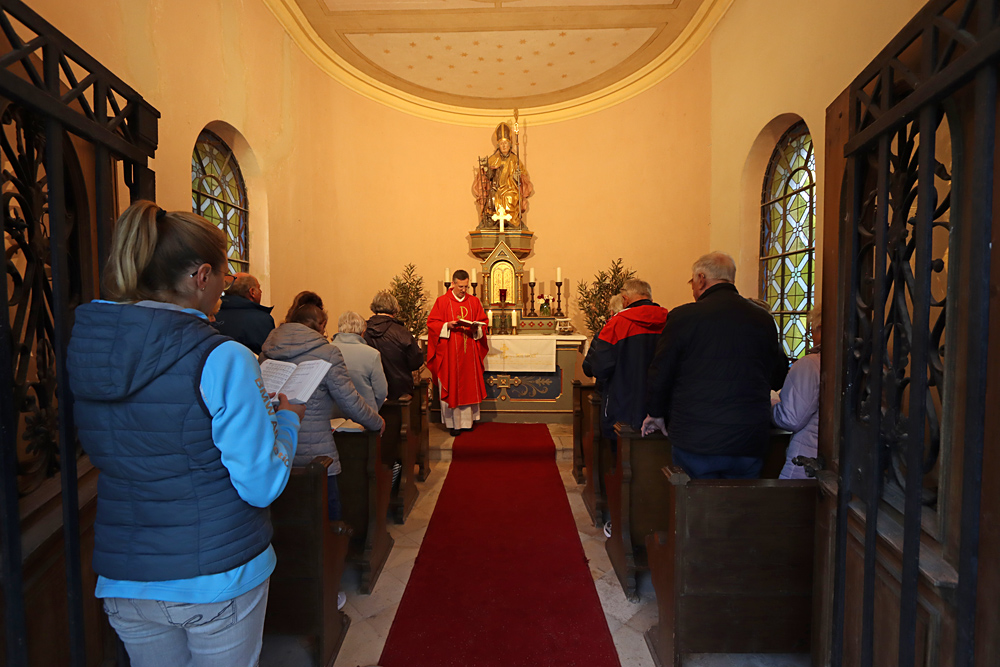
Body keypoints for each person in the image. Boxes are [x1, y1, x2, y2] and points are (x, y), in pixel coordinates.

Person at [66, 200, 305, 667]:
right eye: (224, 274)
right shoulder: (222, 357)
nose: (225, 285)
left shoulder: (90, 348)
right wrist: (289, 419)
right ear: (201, 276)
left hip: (126, 576)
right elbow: (260, 484)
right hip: (214, 574)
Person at [642, 252, 788, 479]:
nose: (693, 288)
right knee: (740, 500)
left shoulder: (684, 317)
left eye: (692, 282)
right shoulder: (763, 319)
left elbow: (661, 371)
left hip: (696, 438)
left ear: (701, 279)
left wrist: (656, 413)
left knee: (696, 499)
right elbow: (777, 375)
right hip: (747, 438)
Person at [583, 279, 668, 443]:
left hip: (624, 407)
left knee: (622, 453)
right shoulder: (670, 320)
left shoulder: (617, 323)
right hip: (661, 409)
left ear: (625, 299)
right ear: (650, 297)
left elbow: (600, 368)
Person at [426, 269, 489, 435]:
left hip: (469, 354)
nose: (464, 290)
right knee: (452, 384)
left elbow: (483, 322)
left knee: (469, 386)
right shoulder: (442, 301)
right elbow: (432, 324)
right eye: (461, 286)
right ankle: (453, 424)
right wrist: (447, 325)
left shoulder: (474, 301)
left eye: (466, 286)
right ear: (453, 284)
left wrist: (477, 328)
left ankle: (468, 422)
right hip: (450, 354)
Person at [771, 308, 822, 479]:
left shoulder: (811, 364)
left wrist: (771, 404)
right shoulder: (871, 364)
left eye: (812, 330)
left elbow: (790, 418)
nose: (811, 336)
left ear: (822, 328)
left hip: (807, 460)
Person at [364, 290, 424, 401]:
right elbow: (416, 361)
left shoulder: (363, 330)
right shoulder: (401, 332)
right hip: (399, 392)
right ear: (394, 309)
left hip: (370, 391)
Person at [473, 122, 534, 229]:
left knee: (510, 198)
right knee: (491, 198)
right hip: (496, 188)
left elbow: (522, 179)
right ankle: (491, 222)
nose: (504, 146)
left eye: (506, 143)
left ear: (510, 145)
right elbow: (489, 176)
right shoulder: (493, 159)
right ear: (498, 146)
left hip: (510, 189)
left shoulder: (515, 159)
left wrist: (517, 177)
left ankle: (511, 222)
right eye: (501, 144)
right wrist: (486, 168)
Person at [330, 311, 388, 415]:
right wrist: (373, 410)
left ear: (339, 330)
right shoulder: (372, 354)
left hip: (333, 416)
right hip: (365, 415)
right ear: (363, 331)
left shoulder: (326, 351)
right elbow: (381, 392)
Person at [213, 272, 275, 354]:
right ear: (252, 292)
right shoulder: (261, 319)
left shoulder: (213, 316)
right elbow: (267, 355)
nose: (261, 291)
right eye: (258, 288)